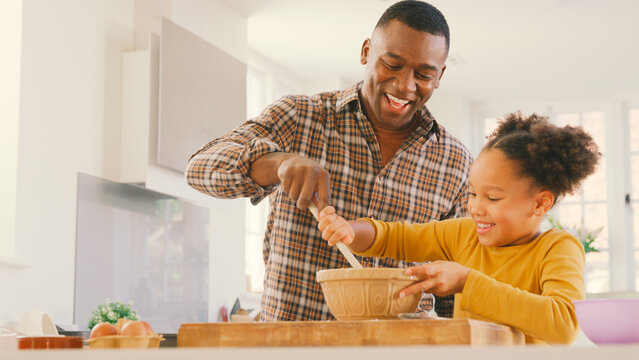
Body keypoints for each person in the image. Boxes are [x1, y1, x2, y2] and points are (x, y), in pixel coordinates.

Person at [186, 0, 472, 321]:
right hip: (287, 349)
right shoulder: (301, 117)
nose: (406, 85)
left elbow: (457, 294)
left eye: (423, 74)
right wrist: (277, 163)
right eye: (392, 64)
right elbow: (200, 169)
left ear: (440, 75)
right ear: (366, 52)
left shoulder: (457, 164)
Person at [317, 112, 600, 344]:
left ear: (540, 203)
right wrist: (352, 231)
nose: (476, 207)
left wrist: (468, 281)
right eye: (473, 193)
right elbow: (397, 237)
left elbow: (564, 323)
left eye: (493, 197)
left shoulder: (558, 249)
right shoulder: (465, 234)